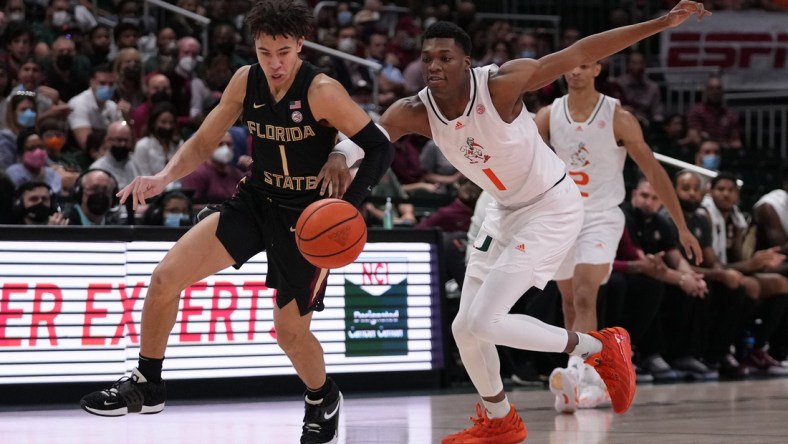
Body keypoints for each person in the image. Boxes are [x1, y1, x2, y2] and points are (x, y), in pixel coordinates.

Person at [334, 3, 710, 442]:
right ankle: (501, 420)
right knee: (463, 328)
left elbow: (582, 49)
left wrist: (661, 23)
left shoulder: (501, 85)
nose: (434, 66)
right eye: (428, 57)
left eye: (445, 58)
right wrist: (337, 157)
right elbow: (367, 139)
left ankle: (600, 347)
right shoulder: (412, 110)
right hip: (502, 209)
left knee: (485, 322)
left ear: (467, 62)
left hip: (551, 206)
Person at [78, 4, 394, 444]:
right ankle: (148, 382)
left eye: (284, 51)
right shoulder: (246, 79)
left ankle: (323, 397)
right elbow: (206, 138)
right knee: (165, 277)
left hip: (307, 217)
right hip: (256, 199)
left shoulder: (322, 90)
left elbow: (378, 147)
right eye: (266, 52)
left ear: (301, 44)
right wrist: (164, 176)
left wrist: (350, 207)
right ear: (255, 48)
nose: (275, 63)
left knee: (289, 334)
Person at [533, 59, 700, 411]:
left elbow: (653, 172)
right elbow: (524, 160)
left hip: (602, 216)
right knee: (567, 300)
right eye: (570, 65)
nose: (575, 71)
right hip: (562, 214)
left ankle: (574, 371)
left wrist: (682, 226)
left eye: (584, 64)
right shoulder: (548, 115)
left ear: (597, 69)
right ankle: (594, 375)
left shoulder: (618, 117)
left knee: (583, 293)